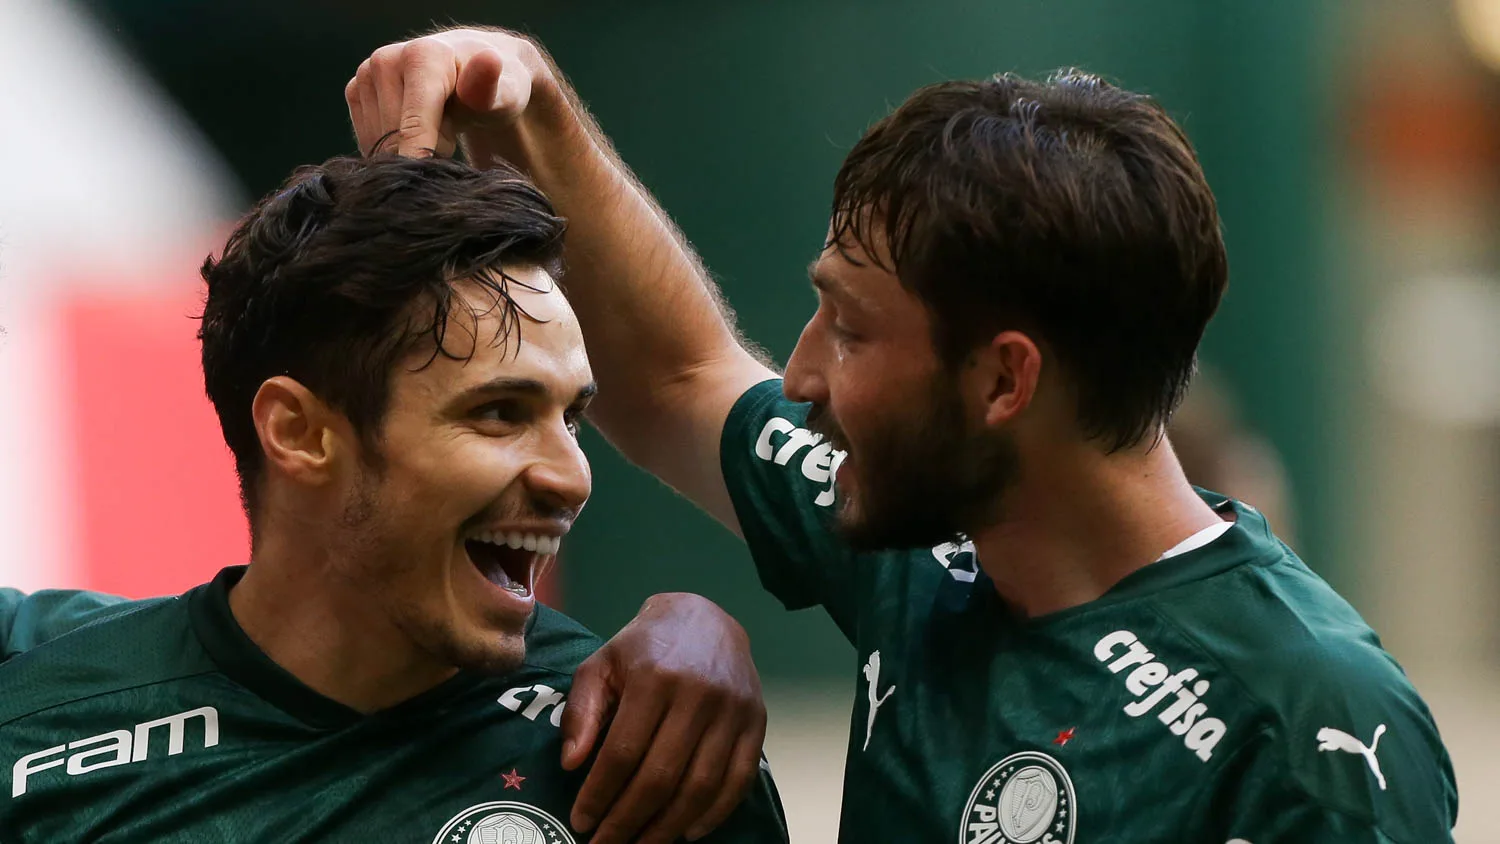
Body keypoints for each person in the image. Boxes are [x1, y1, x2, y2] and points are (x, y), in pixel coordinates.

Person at [348, 27, 1460, 842]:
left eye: (852, 325)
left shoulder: (1312, 725)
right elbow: (681, 373)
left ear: (1003, 379)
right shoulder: (920, 542)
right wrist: (527, 95)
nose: (806, 375)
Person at [0, 154, 788, 844]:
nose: (571, 476)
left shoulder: (649, 760)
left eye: (571, 418)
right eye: (499, 413)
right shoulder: (42, 724)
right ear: (300, 432)